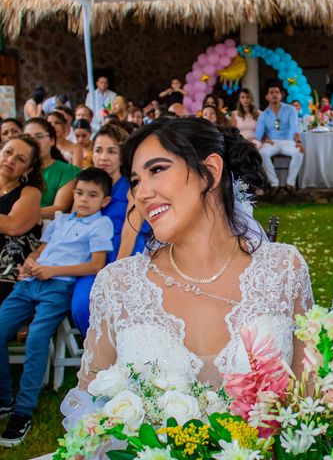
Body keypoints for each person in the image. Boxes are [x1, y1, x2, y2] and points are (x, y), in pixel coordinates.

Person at [62, 118, 312, 432]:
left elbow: (310, 396)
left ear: (210, 171)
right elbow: (89, 407)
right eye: (135, 181)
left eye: (156, 170)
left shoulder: (283, 269)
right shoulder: (118, 285)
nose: (141, 193)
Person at [0, 167, 114, 447]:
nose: (84, 199)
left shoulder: (101, 225)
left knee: (37, 338)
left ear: (105, 201)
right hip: (30, 281)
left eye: (92, 195)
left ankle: (22, 410)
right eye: (79, 193)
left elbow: (96, 264)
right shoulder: (60, 220)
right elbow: (41, 249)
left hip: (57, 285)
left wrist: (53, 270)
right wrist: (31, 261)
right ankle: (4, 398)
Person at [71, 123, 150, 337]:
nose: (103, 157)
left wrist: (115, 271)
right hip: (92, 257)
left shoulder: (131, 187)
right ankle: (99, 353)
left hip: (125, 253)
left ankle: (122, 353)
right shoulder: (87, 184)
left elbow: (130, 231)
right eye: (98, 150)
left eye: (111, 151)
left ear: (122, 155)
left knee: (116, 300)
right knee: (81, 306)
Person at [0, 136, 43, 303]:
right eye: (8, 152)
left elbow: (13, 225)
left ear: (28, 169)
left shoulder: (30, 193)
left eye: (20, 159)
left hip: (9, 270)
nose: (10, 160)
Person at [24, 118, 80, 220]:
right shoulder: (19, 169)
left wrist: (21, 214)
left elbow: (60, 208)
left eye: (39, 136)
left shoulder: (67, 171)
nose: (34, 142)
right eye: (28, 138)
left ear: (52, 140)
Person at [255, 82, 303, 195]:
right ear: (267, 97)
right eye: (271, 92)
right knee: (262, 153)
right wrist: (265, 138)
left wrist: (299, 142)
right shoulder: (263, 114)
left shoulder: (291, 109)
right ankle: (274, 184)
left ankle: (290, 184)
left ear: (281, 95)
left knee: (299, 152)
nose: (274, 94)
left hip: (288, 141)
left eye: (277, 92)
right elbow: (258, 134)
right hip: (272, 143)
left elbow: (295, 128)